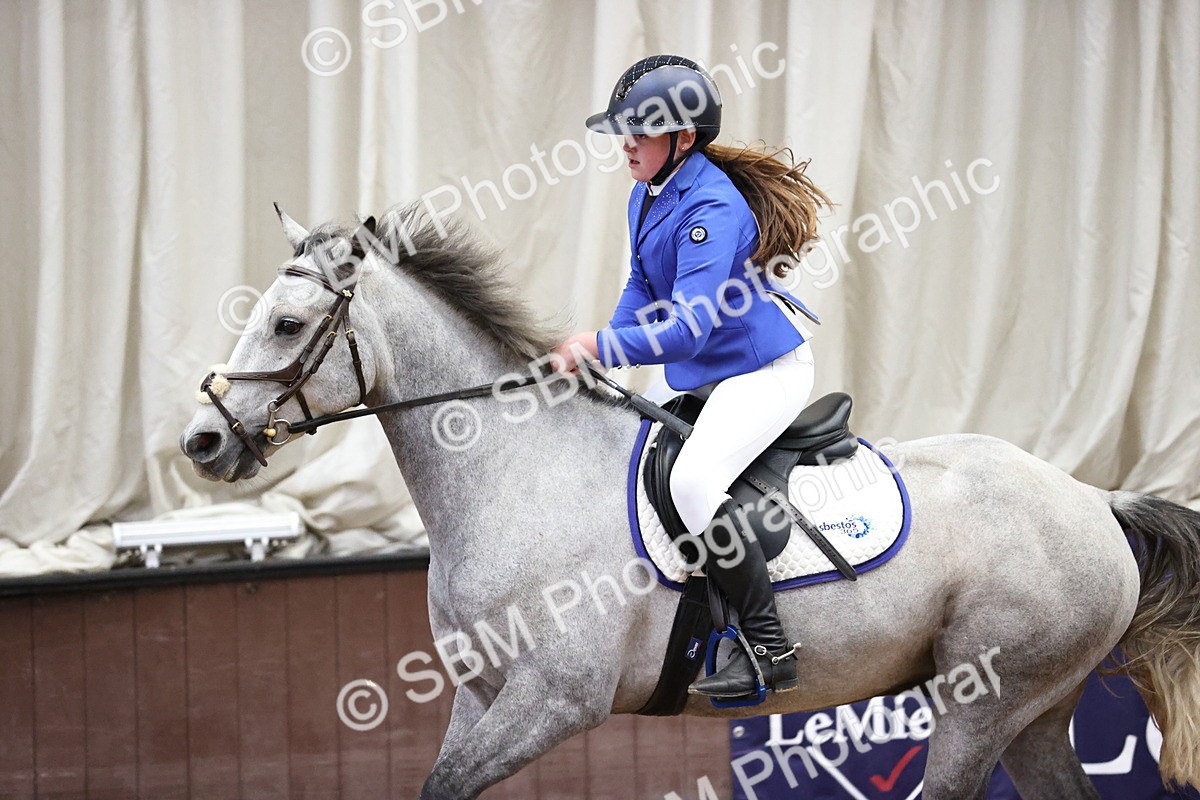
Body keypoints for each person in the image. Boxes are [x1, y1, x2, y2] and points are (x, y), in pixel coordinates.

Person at [551, 55, 833, 700]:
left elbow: (685, 331)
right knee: (621, 451)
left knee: (694, 480)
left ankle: (769, 645)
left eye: (639, 132)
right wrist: (605, 350)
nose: (626, 145)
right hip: (703, 371)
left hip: (761, 371)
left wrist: (599, 344)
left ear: (682, 138)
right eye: (623, 132)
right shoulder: (647, 192)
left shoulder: (712, 206)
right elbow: (640, 284)